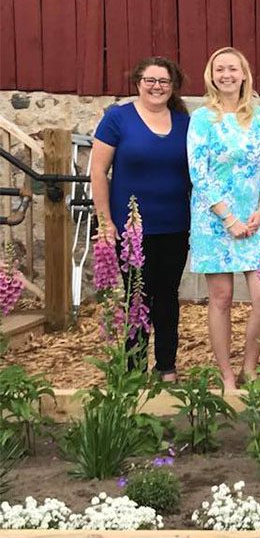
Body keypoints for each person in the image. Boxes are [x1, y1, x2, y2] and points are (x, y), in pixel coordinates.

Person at [90, 56, 191, 382]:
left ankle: (166, 367)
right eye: (150, 80)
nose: (156, 86)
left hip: (175, 225)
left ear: (172, 87)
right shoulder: (118, 118)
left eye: (163, 81)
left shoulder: (185, 124)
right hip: (130, 229)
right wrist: (105, 222)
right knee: (136, 296)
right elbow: (98, 172)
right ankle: (133, 370)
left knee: (167, 297)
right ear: (138, 82)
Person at [187, 47, 260, 390]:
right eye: (219, 69)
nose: (226, 74)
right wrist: (228, 219)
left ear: (243, 74)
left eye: (232, 69)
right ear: (211, 75)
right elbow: (199, 174)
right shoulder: (202, 118)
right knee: (221, 298)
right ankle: (226, 376)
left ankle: (250, 367)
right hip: (214, 220)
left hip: (253, 220)